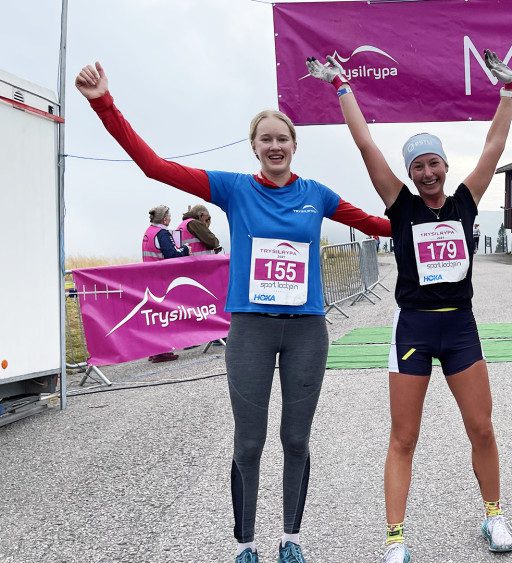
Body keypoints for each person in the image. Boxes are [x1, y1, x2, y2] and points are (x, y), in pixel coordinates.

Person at [75, 61, 392, 563]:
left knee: (295, 438)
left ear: (293, 145)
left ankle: (291, 537)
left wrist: (435, 217)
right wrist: (104, 103)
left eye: (282, 139)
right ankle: (245, 544)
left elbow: (379, 224)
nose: (274, 146)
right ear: (254, 147)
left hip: (307, 332)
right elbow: (155, 167)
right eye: (265, 139)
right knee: (249, 441)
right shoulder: (232, 189)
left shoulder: (317, 195)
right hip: (250, 330)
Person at [306, 50, 512, 563]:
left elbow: (494, 144)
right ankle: (395, 539)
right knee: (403, 436)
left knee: (482, 427)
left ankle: (493, 515)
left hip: (460, 326)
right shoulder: (399, 205)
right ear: (409, 172)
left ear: (445, 166)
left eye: (434, 163)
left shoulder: (466, 199)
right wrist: (342, 86)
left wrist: (508, 92)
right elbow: (364, 143)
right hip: (413, 329)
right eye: (418, 166)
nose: (427, 172)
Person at [143, 204, 189, 362]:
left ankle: (154, 350)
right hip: (162, 279)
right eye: (169, 216)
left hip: (150, 277)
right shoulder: (162, 233)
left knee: (155, 315)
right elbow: (172, 255)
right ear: (164, 218)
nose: (170, 218)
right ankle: (163, 351)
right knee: (164, 314)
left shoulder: (149, 231)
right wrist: (185, 249)